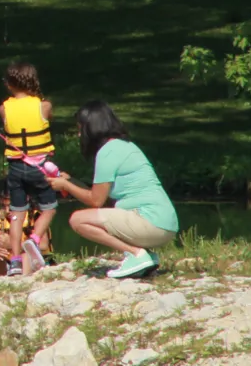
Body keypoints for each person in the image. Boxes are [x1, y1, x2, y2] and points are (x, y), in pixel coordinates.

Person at [47, 100, 179, 279]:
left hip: (151, 222)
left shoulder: (107, 152)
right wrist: (72, 181)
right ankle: (147, 257)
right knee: (107, 211)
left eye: (80, 129)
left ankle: (135, 254)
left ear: (91, 128)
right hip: (165, 223)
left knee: (77, 220)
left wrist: (65, 186)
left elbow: (96, 201)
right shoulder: (124, 145)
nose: (78, 134)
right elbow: (104, 198)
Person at [0, 61, 59, 275]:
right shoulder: (44, 106)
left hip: (15, 167)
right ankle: (34, 238)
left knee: (17, 213)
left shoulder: (3, 108)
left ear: (9, 84)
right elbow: (48, 120)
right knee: (49, 207)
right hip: (40, 167)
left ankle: (14, 261)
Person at [0, 193, 53, 277]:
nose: (7, 210)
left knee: (25, 254)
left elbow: (44, 245)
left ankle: (21, 281)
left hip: (34, 262)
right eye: (4, 206)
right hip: (7, 262)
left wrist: (12, 244)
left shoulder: (35, 217)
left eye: (11, 206)